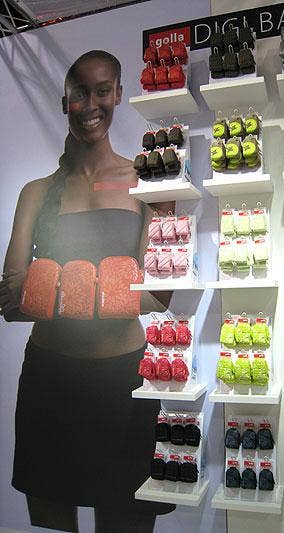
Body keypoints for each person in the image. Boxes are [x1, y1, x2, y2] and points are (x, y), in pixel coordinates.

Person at [0, 50, 175, 533]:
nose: (91, 104)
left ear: (118, 94)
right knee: (53, 521)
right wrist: (108, 288)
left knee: (127, 521)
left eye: (102, 91)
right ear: (65, 101)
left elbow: (160, 295)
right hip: (51, 381)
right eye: (80, 93)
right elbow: (10, 301)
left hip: (125, 383)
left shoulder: (148, 182)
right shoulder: (36, 192)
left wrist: (55, 287)